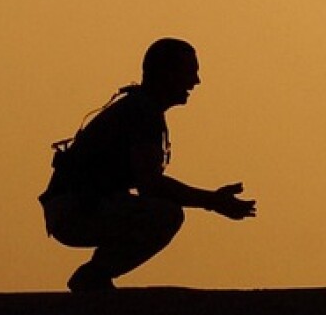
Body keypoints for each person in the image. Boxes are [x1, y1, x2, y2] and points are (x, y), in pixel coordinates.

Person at [39, 38, 256, 292]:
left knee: (160, 212)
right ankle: (94, 276)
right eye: (190, 72)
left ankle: (95, 276)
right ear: (166, 73)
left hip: (78, 208)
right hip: (75, 212)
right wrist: (213, 201)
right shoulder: (142, 113)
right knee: (165, 215)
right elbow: (150, 184)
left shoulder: (142, 110)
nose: (196, 81)